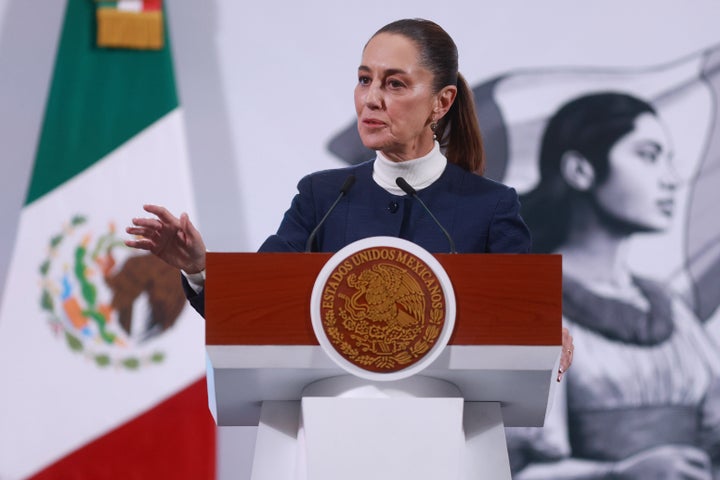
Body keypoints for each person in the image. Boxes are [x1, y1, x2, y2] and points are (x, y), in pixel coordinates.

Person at [124, 18, 574, 378]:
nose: (371, 100)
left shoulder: (491, 206)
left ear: (441, 102)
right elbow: (254, 305)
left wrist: (540, 326)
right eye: (364, 80)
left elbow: (520, 314)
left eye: (394, 84)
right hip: (331, 434)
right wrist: (199, 268)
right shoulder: (322, 197)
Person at [506, 92, 720, 479]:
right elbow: (505, 468)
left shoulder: (669, 308)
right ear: (580, 170)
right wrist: (619, 473)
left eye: (669, 160)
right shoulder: (523, 303)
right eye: (648, 155)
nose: (671, 179)